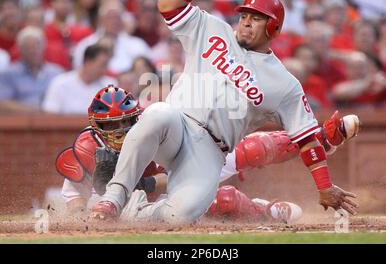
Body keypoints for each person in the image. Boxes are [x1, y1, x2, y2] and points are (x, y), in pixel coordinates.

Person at [92, 0, 359, 224]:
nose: (246, 21)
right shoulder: (213, 28)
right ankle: (114, 197)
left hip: (210, 149)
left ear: (273, 27)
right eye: (244, 15)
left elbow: (306, 138)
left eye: (256, 18)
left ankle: (135, 212)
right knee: (157, 112)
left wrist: (324, 186)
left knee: (181, 215)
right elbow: (167, 4)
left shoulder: (284, 83)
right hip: (177, 123)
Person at [56, 85, 360, 223]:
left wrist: (144, 184)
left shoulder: (153, 128)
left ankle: (320, 138)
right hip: (143, 212)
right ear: (96, 125)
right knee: (222, 201)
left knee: (245, 149)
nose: (120, 131)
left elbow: (167, 175)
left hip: (178, 173)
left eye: (125, 122)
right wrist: (86, 216)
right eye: (112, 125)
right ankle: (264, 210)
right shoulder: (86, 148)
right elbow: (73, 203)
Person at [0, 26, 63, 111]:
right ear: (20, 49)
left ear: (44, 47)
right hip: (20, 121)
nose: (33, 51)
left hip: (55, 121)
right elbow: (3, 104)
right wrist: (38, 111)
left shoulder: (57, 73)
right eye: (28, 47)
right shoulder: (8, 74)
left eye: (36, 46)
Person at [42, 43, 115, 114]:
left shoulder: (110, 86)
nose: (106, 69)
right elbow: (50, 113)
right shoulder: (60, 83)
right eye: (103, 65)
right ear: (88, 62)